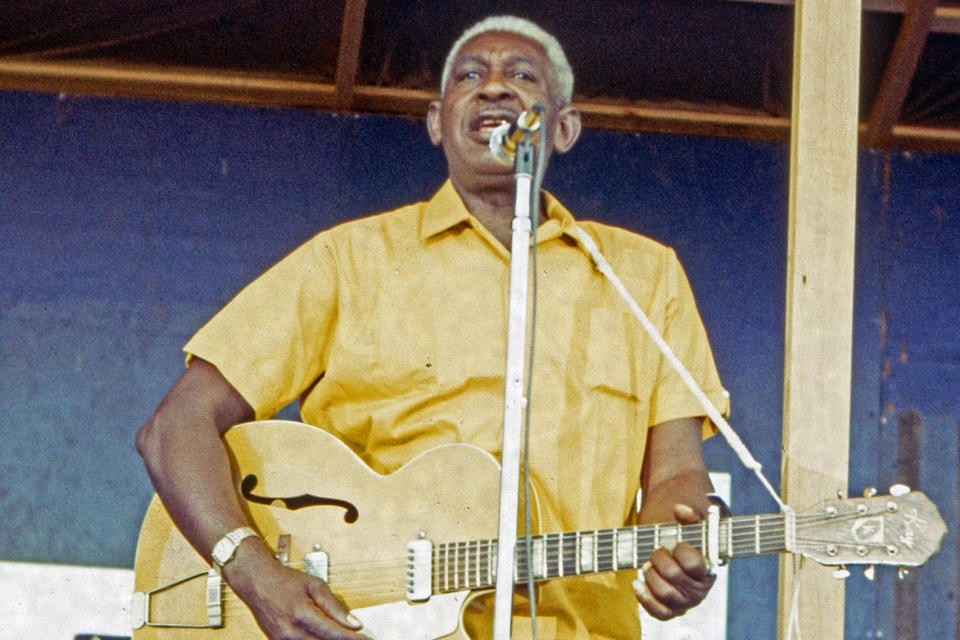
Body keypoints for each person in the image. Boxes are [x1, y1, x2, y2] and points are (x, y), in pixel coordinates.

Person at [136, 15, 729, 640]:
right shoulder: (349, 260)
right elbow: (174, 428)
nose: (495, 87)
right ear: (436, 121)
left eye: (522, 75)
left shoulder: (644, 275)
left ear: (563, 128)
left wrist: (681, 548)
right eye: (471, 75)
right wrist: (254, 574)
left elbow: (674, 476)